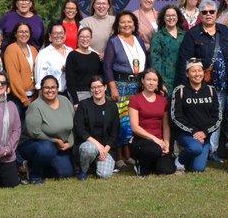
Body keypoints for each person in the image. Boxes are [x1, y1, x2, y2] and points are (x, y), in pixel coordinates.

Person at [177, 0, 228, 160]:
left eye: (211, 12)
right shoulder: (193, 34)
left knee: (218, 116)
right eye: (204, 12)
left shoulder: (224, 31)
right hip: (201, 85)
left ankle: (213, 150)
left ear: (216, 13)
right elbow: (185, 60)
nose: (208, 15)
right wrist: (185, 84)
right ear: (200, 14)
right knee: (202, 116)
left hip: (222, 84)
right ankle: (201, 145)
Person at [104, 11, 147, 161]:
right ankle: (120, 156)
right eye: (123, 22)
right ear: (118, 25)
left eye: (129, 22)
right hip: (120, 86)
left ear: (134, 24)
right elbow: (107, 67)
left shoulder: (139, 40)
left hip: (137, 86)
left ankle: (130, 154)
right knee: (121, 121)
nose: (126, 25)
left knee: (133, 121)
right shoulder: (114, 41)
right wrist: (113, 87)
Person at [20, 76, 75, 183]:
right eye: (46, 88)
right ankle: (35, 176)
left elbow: (71, 125)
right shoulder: (35, 106)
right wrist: (55, 140)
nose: (50, 90)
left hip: (58, 146)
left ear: (57, 88)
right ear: (41, 89)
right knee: (46, 148)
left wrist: (70, 143)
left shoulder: (65, 101)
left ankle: (41, 167)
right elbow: (33, 132)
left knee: (66, 173)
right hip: (34, 144)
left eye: (53, 87)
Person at [170, 58, 222, 173]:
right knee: (195, 147)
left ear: (204, 72)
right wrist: (193, 131)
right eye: (193, 71)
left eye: (200, 70)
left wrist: (204, 132)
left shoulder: (211, 90)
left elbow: (217, 118)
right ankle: (180, 160)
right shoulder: (180, 91)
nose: (197, 74)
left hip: (204, 135)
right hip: (186, 134)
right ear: (187, 74)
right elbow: (175, 117)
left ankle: (189, 156)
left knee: (197, 169)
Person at [128, 68, 175, 176]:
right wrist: (156, 140)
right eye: (148, 79)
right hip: (141, 140)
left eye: (154, 80)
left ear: (158, 83)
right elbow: (135, 127)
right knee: (154, 150)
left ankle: (152, 164)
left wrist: (166, 143)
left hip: (160, 142)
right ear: (142, 81)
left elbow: (166, 125)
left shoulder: (163, 100)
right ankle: (140, 165)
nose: (151, 82)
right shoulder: (135, 100)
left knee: (167, 169)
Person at [73, 76, 119, 180]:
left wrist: (105, 149)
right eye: (93, 87)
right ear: (90, 90)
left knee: (105, 175)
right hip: (88, 143)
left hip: (106, 147)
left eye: (99, 86)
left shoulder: (112, 107)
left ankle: (94, 165)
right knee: (89, 149)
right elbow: (80, 130)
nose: (97, 90)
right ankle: (83, 170)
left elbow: (114, 133)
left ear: (105, 87)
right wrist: (98, 145)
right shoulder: (83, 105)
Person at [2, 21, 38, 112]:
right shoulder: (11, 49)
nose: (24, 34)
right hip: (18, 98)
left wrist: (36, 95)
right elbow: (13, 76)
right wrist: (23, 98)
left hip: (33, 96)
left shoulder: (33, 50)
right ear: (15, 34)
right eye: (21, 32)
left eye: (26, 32)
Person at [149, 4, 186, 91]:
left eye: (173, 15)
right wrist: (159, 82)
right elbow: (155, 61)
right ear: (163, 18)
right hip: (166, 82)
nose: (171, 18)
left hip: (183, 80)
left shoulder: (185, 35)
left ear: (178, 17)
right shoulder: (158, 37)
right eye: (168, 15)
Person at [65, 26, 103, 104]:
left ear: (91, 38)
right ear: (78, 38)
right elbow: (70, 80)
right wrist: (75, 101)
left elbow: (99, 77)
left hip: (95, 94)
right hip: (79, 95)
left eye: (87, 36)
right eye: (82, 37)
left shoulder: (95, 56)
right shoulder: (72, 55)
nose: (85, 39)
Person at [34, 23, 71, 93]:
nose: (58, 36)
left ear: (65, 35)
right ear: (50, 36)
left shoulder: (70, 51)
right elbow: (39, 81)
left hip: (69, 95)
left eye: (61, 33)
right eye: (55, 33)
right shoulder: (44, 54)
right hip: (51, 94)